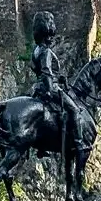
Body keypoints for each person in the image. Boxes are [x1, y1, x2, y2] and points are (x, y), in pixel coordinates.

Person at [29, 11, 86, 153]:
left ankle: (42, 145)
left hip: (37, 87)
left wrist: (60, 78)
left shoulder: (36, 50)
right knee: (75, 111)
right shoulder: (46, 51)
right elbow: (46, 71)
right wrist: (50, 89)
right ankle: (79, 144)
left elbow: (40, 70)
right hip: (50, 87)